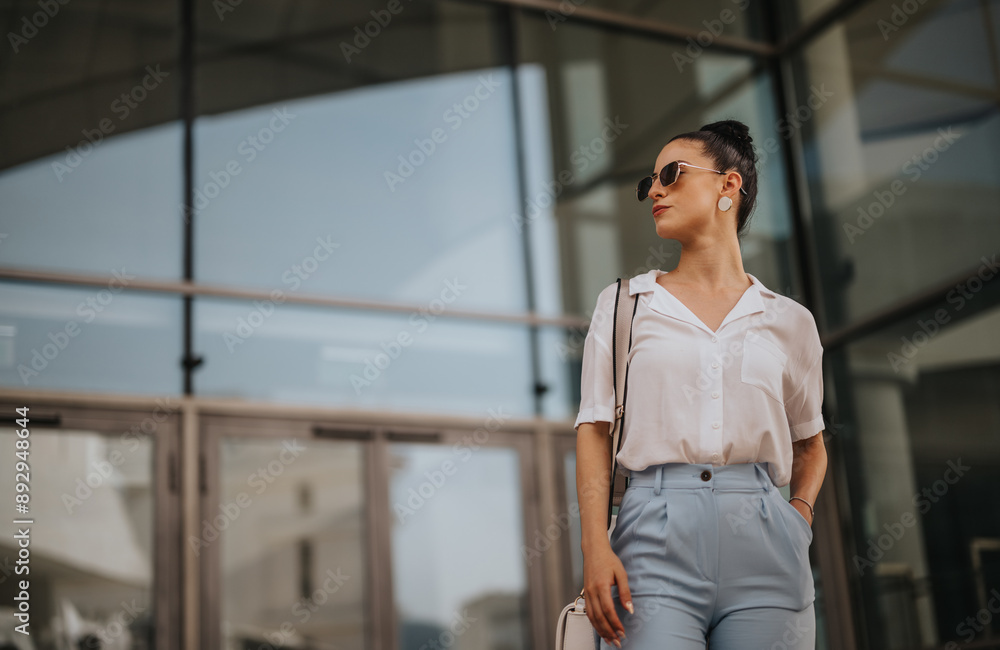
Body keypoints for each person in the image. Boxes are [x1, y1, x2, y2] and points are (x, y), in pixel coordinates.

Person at [575, 119, 828, 649]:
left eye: (672, 173)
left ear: (728, 185)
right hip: (652, 537)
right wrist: (595, 547)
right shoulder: (626, 304)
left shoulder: (790, 321)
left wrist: (797, 518)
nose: (656, 190)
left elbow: (811, 445)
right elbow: (595, 431)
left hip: (765, 541)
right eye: (650, 182)